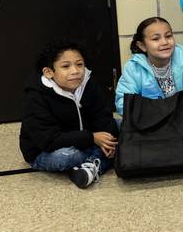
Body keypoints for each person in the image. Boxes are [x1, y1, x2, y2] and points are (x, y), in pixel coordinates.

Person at [20, 43, 118, 188]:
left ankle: (90, 167)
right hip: (46, 151)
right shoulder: (35, 97)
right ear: (48, 72)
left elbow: (103, 115)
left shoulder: (89, 83)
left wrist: (108, 140)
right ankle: (99, 161)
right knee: (69, 156)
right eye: (66, 66)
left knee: (121, 125)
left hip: (86, 139)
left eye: (79, 64)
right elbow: (48, 140)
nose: (75, 71)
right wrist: (92, 138)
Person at [115, 17, 183, 143]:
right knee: (118, 126)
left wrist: (177, 117)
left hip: (180, 119)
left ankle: (166, 142)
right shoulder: (133, 68)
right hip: (149, 123)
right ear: (142, 46)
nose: (164, 42)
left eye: (168, 36)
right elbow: (123, 103)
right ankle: (177, 141)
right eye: (155, 39)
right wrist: (154, 118)